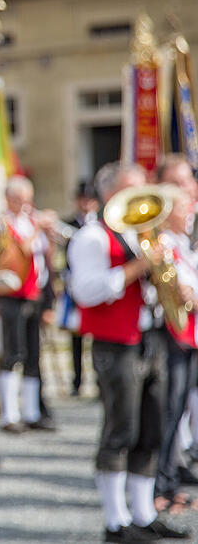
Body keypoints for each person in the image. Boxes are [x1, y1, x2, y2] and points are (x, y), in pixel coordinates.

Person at [68, 161, 187, 541]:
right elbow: (85, 290)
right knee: (121, 430)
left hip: (150, 338)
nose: (143, 200)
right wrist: (138, 268)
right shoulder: (92, 237)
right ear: (110, 195)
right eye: (132, 191)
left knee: (152, 428)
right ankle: (115, 521)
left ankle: (142, 512)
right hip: (116, 343)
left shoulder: (145, 235)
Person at [0, 175, 55, 433]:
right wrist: (39, 229)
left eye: (27, 200)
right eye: (20, 199)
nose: (25, 204)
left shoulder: (30, 221)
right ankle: (8, 414)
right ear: (9, 199)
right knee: (13, 353)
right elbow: (24, 250)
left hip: (34, 294)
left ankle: (32, 412)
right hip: (12, 296)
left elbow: (46, 256)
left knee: (33, 355)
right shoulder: (3, 223)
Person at [155, 156, 198, 513]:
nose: (189, 214)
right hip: (171, 335)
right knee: (169, 412)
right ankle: (163, 485)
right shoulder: (165, 245)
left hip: (185, 336)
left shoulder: (180, 243)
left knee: (178, 410)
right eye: (183, 209)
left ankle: (170, 479)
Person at [62, 179, 100, 396]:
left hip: (94, 281)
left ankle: (97, 379)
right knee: (75, 335)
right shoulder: (69, 224)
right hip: (74, 283)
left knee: (96, 333)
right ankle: (77, 380)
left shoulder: (102, 225)